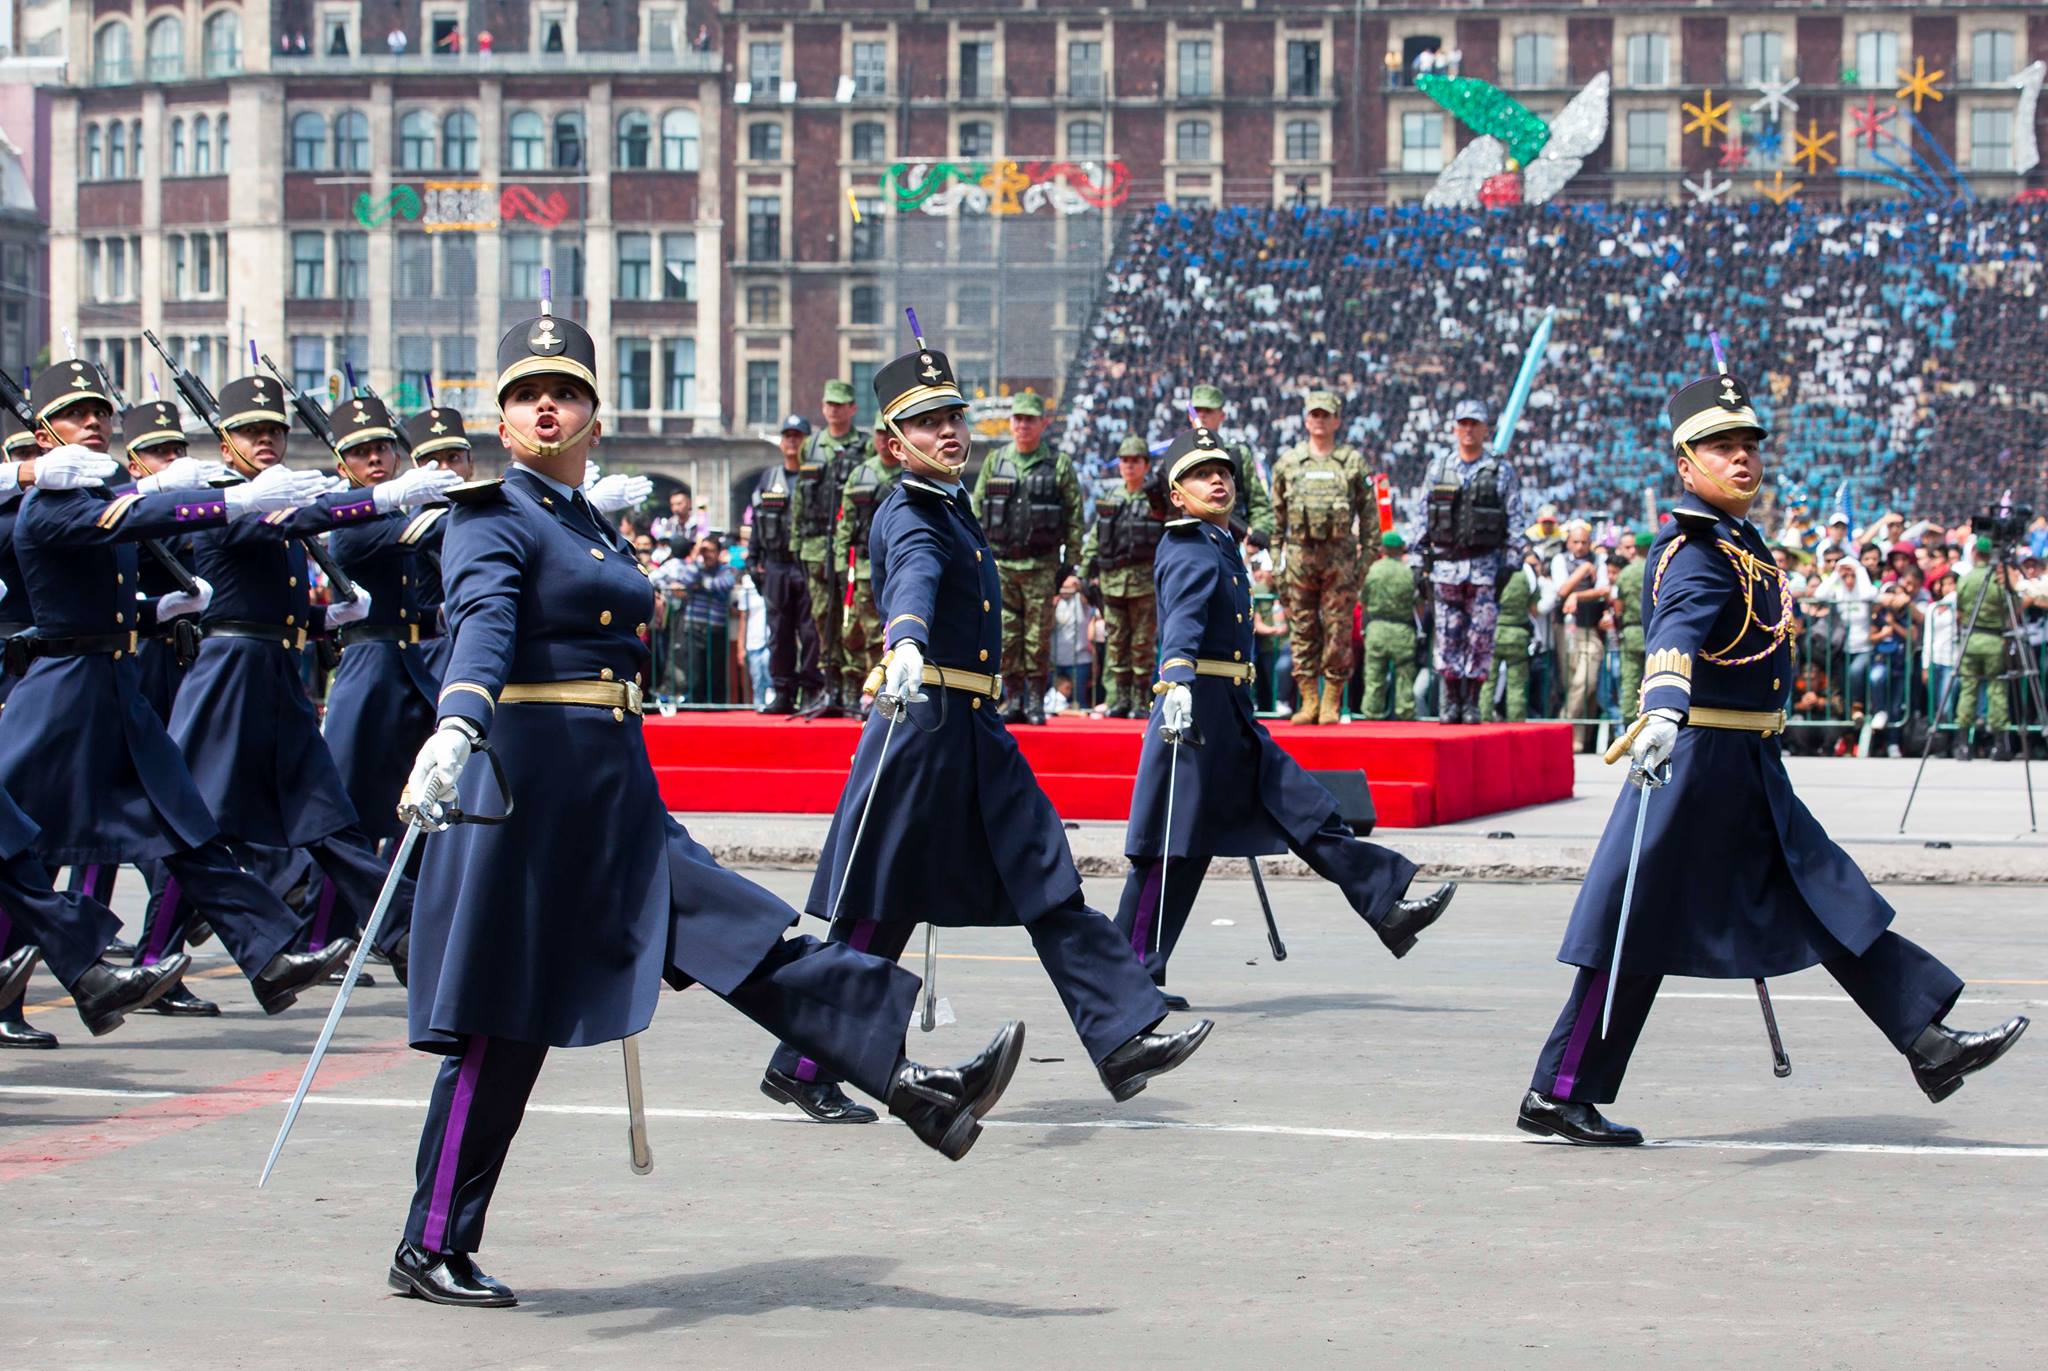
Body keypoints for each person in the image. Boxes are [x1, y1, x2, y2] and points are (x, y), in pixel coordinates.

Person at [391, 307, 1027, 1307]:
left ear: (595, 416)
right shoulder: (490, 516)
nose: (546, 407)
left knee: (748, 937)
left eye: (564, 393)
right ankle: (430, 1242)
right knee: (500, 1027)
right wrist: (456, 724)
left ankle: (906, 1082)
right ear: (502, 421)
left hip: (612, 796)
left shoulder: (585, 520)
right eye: (526, 395)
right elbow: (483, 625)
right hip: (527, 800)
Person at [1518, 372, 2028, 1147]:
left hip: (1745, 761)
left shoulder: (1740, 545)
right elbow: (1676, 631)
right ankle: (1557, 1090)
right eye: (1722, 446)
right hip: (1695, 763)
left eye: (1749, 445)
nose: (1742, 458)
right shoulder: (1696, 551)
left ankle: (1927, 1039)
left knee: (1827, 894)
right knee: (1632, 931)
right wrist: (1662, 707)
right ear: (1685, 464)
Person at [759, 340, 1209, 1126]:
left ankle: (1122, 1035)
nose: (948, 431)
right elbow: (913, 577)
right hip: (925, 725)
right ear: (892, 444)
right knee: (877, 908)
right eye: (926, 422)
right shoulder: (912, 512)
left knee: (1046, 873)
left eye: (953, 416)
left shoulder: (949, 503)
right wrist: (904, 638)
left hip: (972, 726)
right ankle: (801, 1062)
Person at [0, 359, 356, 1016]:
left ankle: (266, 955)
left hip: (114, 687)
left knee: (188, 826)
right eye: (76, 414)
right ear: (44, 435)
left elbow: (104, 579)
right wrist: (232, 501)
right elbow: (133, 518)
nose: (93, 422)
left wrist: (151, 611)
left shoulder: (92, 500)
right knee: (17, 842)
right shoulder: (47, 510)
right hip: (59, 694)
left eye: (100, 411)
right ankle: (60, 975)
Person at [1113, 429, 1455, 1008]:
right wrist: (1177, 681)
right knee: (1171, 852)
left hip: (1231, 714)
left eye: (1223, 471)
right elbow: (1183, 622)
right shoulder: (1190, 546)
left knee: (1307, 808)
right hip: (1195, 714)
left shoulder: (1221, 543)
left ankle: (1386, 904)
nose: (1218, 480)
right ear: (1175, 494)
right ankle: (1127, 980)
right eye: (1201, 474)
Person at [167, 379, 456, 972]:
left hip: (276, 672)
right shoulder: (226, 501)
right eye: (251, 432)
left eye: (274, 431)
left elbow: (279, 601)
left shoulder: (273, 499)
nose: (266, 441)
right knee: (186, 822)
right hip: (228, 675)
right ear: (225, 445)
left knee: (328, 819)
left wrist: (325, 619)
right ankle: (171, 945)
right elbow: (304, 518)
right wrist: (383, 498)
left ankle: (400, 933)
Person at [973, 392, 1083, 726]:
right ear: (1011, 423)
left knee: (1037, 638)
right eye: (1018, 419)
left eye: (1030, 419)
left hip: (1041, 566)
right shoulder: (995, 461)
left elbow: (1074, 517)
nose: (1023, 425)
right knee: (1006, 636)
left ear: (1043, 423)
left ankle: (1035, 699)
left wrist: (1069, 565)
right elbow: (977, 511)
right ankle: (1014, 697)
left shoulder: (1058, 464)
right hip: (1002, 565)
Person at [1416, 398, 1525, 725]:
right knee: (1447, 634)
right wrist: (1417, 560)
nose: (1468, 430)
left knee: (1481, 638)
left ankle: (1473, 701)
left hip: (1485, 566)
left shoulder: (1501, 470)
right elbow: (1422, 514)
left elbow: (1515, 518)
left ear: (1485, 429)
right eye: (1463, 423)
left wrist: (1512, 562)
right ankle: (1451, 700)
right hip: (1445, 567)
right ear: (1455, 428)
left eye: (1474, 424)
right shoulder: (1438, 468)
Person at [1270, 389, 1370, 725]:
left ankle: (1331, 700)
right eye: (1314, 414)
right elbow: (1276, 522)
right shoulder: (1288, 463)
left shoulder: (1352, 462)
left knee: (1339, 631)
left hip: (1340, 563)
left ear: (1337, 420)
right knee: (1302, 629)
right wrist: (1277, 564)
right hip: (1300, 561)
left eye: (1326, 415)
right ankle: (1309, 699)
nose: (1319, 421)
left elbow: (1370, 520)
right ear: (1305, 420)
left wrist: (1363, 565)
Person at [793, 380, 870, 716]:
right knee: (823, 617)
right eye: (829, 404)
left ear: (853, 408)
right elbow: (800, 498)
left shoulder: (865, 447)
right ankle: (831, 684)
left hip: (852, 546)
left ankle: (853, 686)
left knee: (851, 618)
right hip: (815, 546)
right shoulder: (811, 446)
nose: (834, 410)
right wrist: (795, 542)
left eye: (840, 405)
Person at [1079, 435, 1162, 717]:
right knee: (1116, 643)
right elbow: (1095, 539)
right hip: (1112, 583)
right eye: (1124, 461)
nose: (1129, 466)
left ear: (1146, 465)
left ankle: (1140, 700)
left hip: (1144, 584)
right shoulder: (1110, 499)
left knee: (1142, 645)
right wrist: (1083, 573)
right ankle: (1121, 699)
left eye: (1135, 461)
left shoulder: (1156, 501)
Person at [748, 416, 818, 713]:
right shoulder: (769, 478)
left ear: (807, 441)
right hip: (776, 565)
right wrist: (752, 559)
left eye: (798, 436)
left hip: (807, 564)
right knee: (779, 632)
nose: (792, 441)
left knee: (811, 632)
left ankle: (812, 690)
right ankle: (783, 692)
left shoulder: (816, 476)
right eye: (787, 435)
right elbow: (757, 522)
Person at [836, 423, 903, 712]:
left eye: (889, 433)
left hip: (899, 567)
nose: (884, 439)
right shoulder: (861, 474)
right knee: (860, 631)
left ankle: (884, 692)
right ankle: (862, 691)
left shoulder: (910, 471)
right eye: (879, 433)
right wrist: (840, 562)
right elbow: (845, 523)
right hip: (863, 567)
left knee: (887, 633)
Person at [1953, 537, 2015, 760]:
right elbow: (2012, 606)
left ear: (1975, 553)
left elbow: (1959, 608)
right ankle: (1999, 745)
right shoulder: (1998, 580)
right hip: (1994, 639)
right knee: (1996, 689)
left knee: (1968, 689)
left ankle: (1962, 744)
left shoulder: (1966, 579)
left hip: (1970, 638)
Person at [1551, 520, 1610, 751]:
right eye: (1576, 542)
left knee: (1586, 681)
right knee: (1570, 682)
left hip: (1590, 629)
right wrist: (1584, 570)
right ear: (1568, 542)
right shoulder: (1559, 560)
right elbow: (1562, 590)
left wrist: (1577, 596)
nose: (1580, 546)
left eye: (1584, 542)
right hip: (1565, 628)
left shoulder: (1599, 560)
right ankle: (1575, 739)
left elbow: (1603, 589)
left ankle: (1563, 723)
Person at [1189, 383, 1275, 539]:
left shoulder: (1237, 455)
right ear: (1190, 415)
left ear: (1222, 416)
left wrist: (1259, 533)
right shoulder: (1180, 457)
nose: (1201, 415)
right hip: (1190, 541)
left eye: (1208, 410)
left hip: (1232, 542)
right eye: (1197, 410)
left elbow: (1259, 504)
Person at [1360, 530, 1417, 720]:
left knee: (1374, 677)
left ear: (1383, 549)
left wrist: (1365, 625)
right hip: (1403, 629)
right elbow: (1417, 602)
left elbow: (1364, 600)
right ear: (1401, 549)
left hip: (1377, 627)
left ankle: (1372, 713)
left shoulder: (1373, 570)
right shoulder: (1407, 572)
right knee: (1405, 677)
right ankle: (1405, 713)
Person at [1613, 529, 1653, 725]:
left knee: (1629, 680)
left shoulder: (1626, 573)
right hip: (1654, 632)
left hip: (1631, 631)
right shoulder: (1658, 569)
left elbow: (1618, 607)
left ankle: (1629, 725)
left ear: (1636, 548)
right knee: (1654, 680)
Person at [1051, 573, 1096, 711]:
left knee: (1079, 700)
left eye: (1069, 586)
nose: (1066, 590)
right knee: (1055, 701)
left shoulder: (1081, 601)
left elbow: (1089, 597)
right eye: (1063, 586)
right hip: (1056, 660)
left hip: (1079, 661)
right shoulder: (1056, 601)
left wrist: (1079, 586)